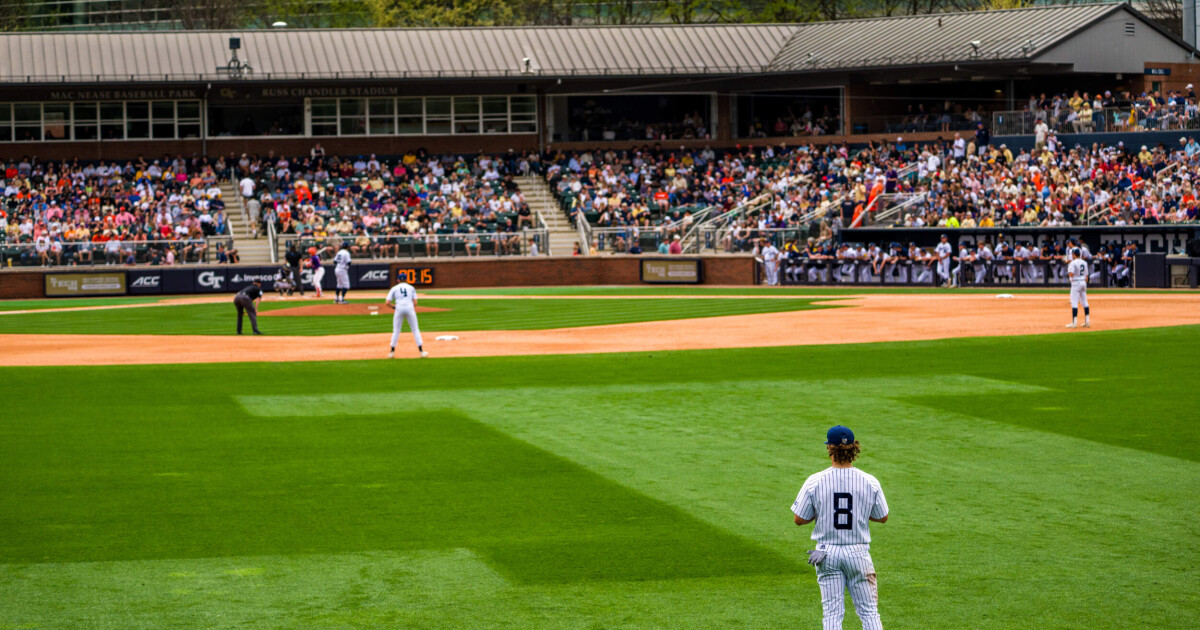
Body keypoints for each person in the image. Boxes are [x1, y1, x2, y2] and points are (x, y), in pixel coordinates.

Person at [792, 425, 889, 630]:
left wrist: (822, 509)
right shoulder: (870, 481)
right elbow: (882, 517)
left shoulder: (815, 481)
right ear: (854, 449)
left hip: (827, 553)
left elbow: (799, 519)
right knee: (869, 612)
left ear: (829, 449)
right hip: (858, 553)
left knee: (832, 615)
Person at [385, 274, 428, 358]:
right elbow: (415, 303)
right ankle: (421, 351)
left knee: (396, 330)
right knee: (415, 329)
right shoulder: (411, 288)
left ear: (398, 280)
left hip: (399, 308)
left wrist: (394, 307)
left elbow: (387, 302)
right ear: (406, 280)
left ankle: (392, 352)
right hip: (409, 308)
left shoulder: (394, 288)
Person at [1066, 247, 1091, 328]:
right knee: (1085, 302)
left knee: (1074, 303)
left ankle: (1074, 322)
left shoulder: (1073, 263)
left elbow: (1071, 274)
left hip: (1076, 283)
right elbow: (1087, 276)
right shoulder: (1084, 262)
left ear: (1073, 254)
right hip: (1083, 282)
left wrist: (1068, 269)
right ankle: (1087, 321)